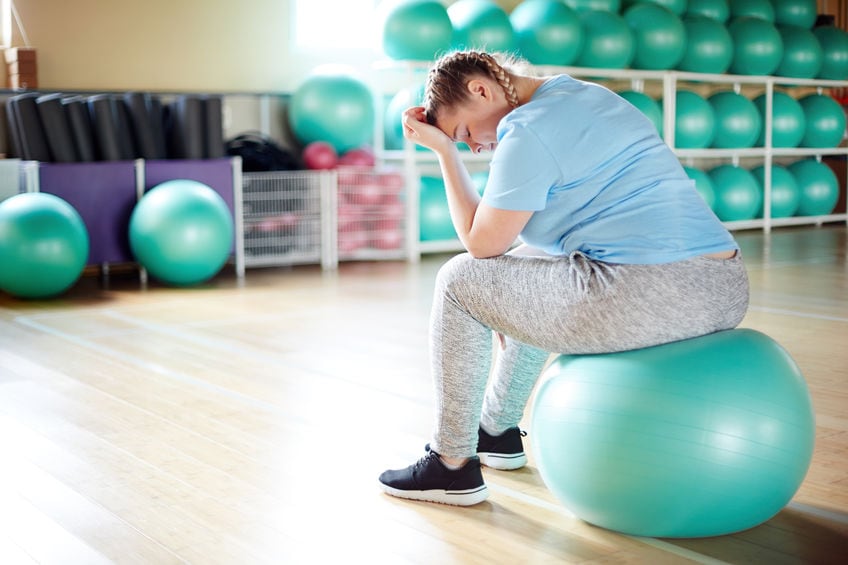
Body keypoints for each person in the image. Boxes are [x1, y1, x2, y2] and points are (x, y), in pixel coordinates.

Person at [378, 50, 749, 506]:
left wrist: (443, 152)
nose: (473, 145)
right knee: (530, 262)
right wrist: (508, 306)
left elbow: (480, 245)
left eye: (466, 132)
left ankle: (450, 464)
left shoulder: (529, 129)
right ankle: (496, 431)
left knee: (459, 281)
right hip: (725, 284)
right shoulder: (585, 96)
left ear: (481, 89)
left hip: (655, 290)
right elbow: (520, 251)